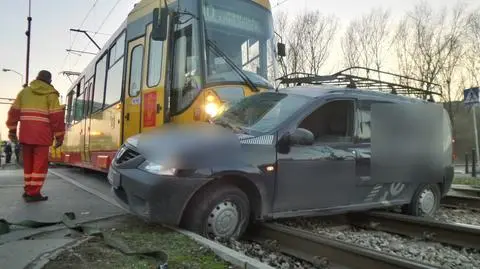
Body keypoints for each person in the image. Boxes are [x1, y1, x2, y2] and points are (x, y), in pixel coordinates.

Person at [6, 70, 65, 202]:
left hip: (26, 135)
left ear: (37, 78)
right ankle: (34, 193)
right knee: (40, 165)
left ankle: (28, 190)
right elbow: (56, 117)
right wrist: (59, 136)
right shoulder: (51, 94)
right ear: (49, 81)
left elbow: (13, 113)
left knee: (28, 164)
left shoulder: (24, 92)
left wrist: (12, 130)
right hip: (43, 136)